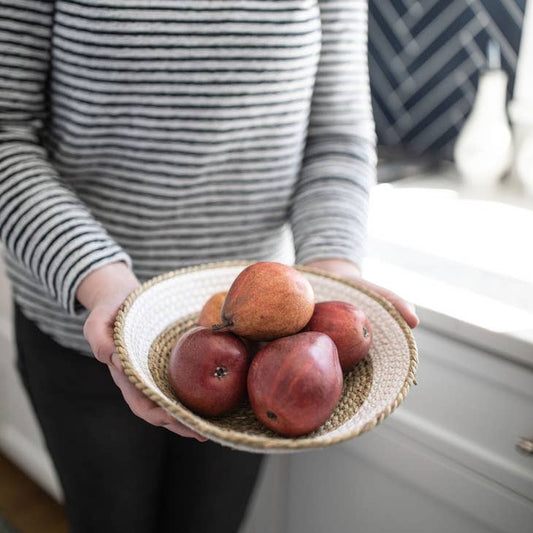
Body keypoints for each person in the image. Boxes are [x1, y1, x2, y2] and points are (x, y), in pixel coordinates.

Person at [0, 1, 419, 532]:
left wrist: (333, 273)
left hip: (259, 357)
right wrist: (106, 283)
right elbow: (5, 133)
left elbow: (336, 133)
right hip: (88, 329)